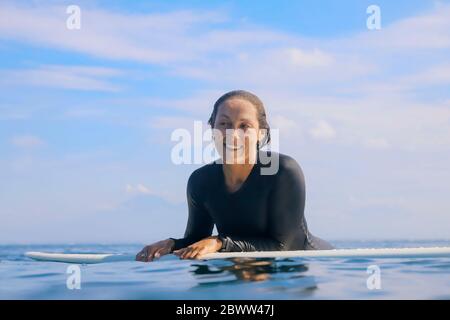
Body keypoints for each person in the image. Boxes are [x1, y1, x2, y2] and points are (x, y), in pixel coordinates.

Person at [136, 90, 333, 262]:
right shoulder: (201, 181)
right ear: (212, 129)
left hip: (311, 266)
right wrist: (169, 244)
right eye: (224, 123)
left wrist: (220, 243)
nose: (232, 134)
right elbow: (196, 240)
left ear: (260, 133)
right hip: (248, 271)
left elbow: (285, 247)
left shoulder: (282, 171)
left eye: (244, 126)